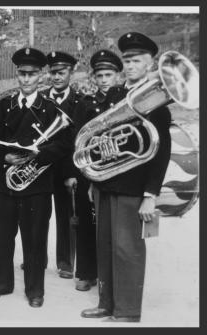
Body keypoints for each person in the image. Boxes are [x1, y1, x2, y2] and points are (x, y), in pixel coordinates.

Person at [80, 32, 172, 322]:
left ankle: (128, 311)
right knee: (105, 246)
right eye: (128, 60)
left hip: (134, 188)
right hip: (107, 182)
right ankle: (107, 304)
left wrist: (150, 195)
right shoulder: (117, 95)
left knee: (127, 249)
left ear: (150, 63)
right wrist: (94, 179)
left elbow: (161, 152)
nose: (130, 65)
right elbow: (99, 139)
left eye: (137, 61)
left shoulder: (155, 99)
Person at [0, 47, 74, 307]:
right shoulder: (4, 105)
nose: (26, 79)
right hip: (7, 183)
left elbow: (64, 144)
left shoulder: (50, 108)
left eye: (31, 74)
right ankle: (1, 283)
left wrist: (38, 154)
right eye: (22, 74)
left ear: (40, 75)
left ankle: (35, 291)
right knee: (3, 235)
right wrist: (5, 157)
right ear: (17, 74)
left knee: (35, 238)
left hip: (37, 184)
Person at [64, 49, 123, 291]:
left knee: (113, 226)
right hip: (89, 170)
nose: (104, 80)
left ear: (117, 75)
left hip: (118, 169)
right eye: (100, 76)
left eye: (109, 75)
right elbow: (75, 140)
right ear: (94, 78)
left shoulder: (125, 102)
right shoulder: (87, 104)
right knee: (88, 224)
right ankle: (87, 273)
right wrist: (73, 173)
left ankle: (112, 276)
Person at [41, 51, 85, 280]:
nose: (57, 77)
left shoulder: (79, 101)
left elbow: (78, 141)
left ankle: (65, 262)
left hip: (66, 170)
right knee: (38, 215)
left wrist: (71, 173)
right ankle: (37, 258)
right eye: (53, 72)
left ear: (71, 72)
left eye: (62, 72)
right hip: (42, 168)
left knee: (66, 216)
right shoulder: (40, 98)